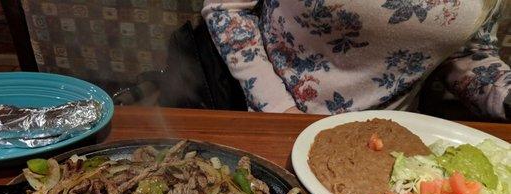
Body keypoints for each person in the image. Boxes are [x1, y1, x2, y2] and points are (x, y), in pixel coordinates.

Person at [202, 0, 511, 119]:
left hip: (396, 143)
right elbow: (226, 7)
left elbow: (468, 53)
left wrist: (505, 93)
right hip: (278, 119)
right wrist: (279, 111)